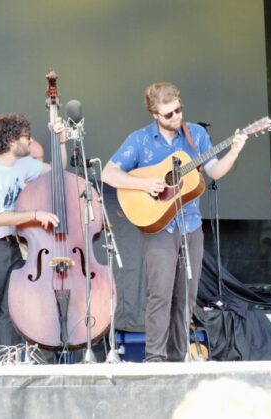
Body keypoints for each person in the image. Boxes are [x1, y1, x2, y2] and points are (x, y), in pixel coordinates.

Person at [102, 82, 247, 362]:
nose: (176, 117)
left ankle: (178, 358)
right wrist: (144, 184)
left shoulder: (196, 135)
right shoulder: (140, 139)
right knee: (160, 294)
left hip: (190, 225)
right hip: (158, 227)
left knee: (186, 297)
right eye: (168, 114)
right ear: (155, 114)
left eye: (179, 110)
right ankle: (155, 358)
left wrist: (234, 152)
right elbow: (109, 173)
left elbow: (215, 171)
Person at [0, 113, 63, 363]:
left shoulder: (22, 164)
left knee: (11, 311)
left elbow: (57, 171)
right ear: (11, 141)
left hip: (9, 245)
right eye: (26, 137)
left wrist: (60, 140)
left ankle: (7, 365)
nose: (30, 141)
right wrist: (36, 214)